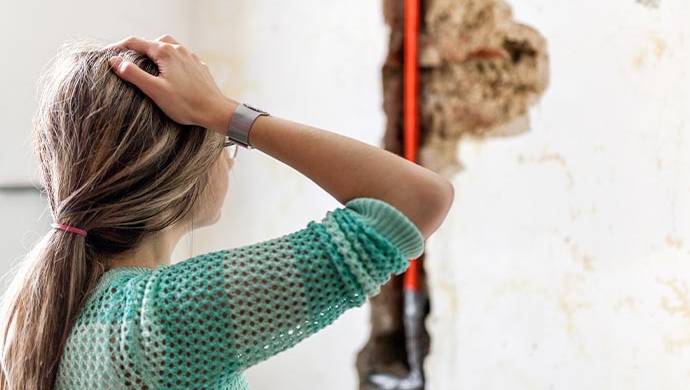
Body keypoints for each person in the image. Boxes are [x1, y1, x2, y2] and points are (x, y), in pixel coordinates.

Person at [0, 34, 454, 390]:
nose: (231, 155)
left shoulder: (30, 311)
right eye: (226, 142)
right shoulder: (164, 318)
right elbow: (417, 201)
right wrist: (222, 112)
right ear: (177, 169)